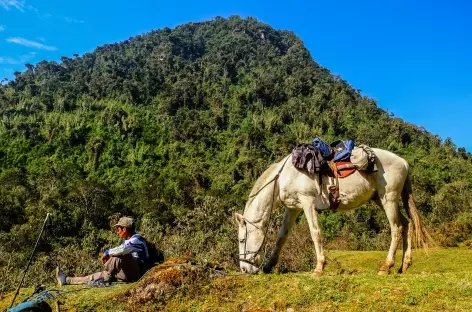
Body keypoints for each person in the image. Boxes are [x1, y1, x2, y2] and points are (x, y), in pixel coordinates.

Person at [55, 216, 149, 286]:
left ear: (124, 229)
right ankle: (67, 280)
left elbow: (122, 250)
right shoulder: (128, 241)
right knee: (95, 276)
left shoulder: (137, 240)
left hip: (137, 274)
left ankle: (106, 279)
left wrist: (107, 253)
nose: (117, 232)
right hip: (126, 273)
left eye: (118, 229)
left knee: (122, 254)